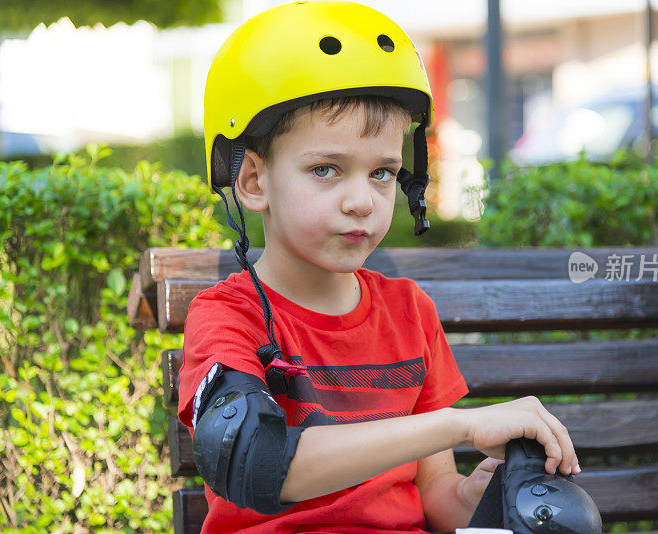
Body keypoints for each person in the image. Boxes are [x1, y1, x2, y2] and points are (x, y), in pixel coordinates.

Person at [177, 2, 580, 533]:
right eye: (326, 169)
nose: (362, 201)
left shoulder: (408, 311)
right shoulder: (229, 317)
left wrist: (485, 494)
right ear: (253, 181)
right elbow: (255, 459)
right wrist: (458, 425)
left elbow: (435, 496)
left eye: (383, 173)